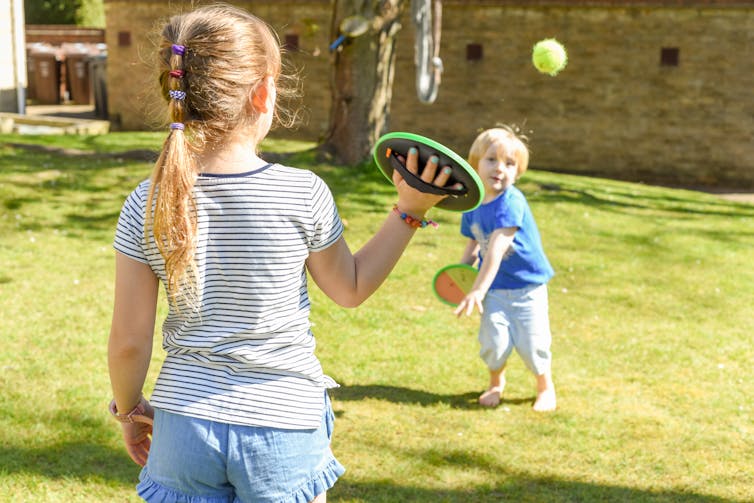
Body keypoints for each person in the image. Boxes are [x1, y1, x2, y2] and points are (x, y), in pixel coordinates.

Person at [107, 4, 453, 502]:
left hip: (184, 427)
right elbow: (350, 289)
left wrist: (129, 410)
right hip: (284, 426)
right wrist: (409, 210)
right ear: (264, 93)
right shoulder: (303, 192)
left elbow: (127, 343)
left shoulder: (148, 200)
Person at [454, 127, 557, 412]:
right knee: (493, 342)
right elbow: (475, 241)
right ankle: (496, 383)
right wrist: (459, 275)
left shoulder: (512, 201)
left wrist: (477, 289)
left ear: (518, 172)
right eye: (491, 160)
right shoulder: (472, 202)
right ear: (475, 163)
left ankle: (545, 387)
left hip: (527, 286)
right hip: (496, 288)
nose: (500, 168)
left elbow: (496, 249)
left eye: (509, 164)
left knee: (533, 343)